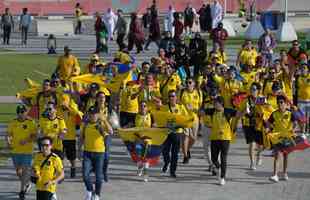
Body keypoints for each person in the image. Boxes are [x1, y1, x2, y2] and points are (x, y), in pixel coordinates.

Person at [203, 96, 241, 185]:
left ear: (221, 104)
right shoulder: (212, 111)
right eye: (214, 103)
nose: (214, 105)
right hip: (214, 138)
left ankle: (222, 177)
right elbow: (202, 112)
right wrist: (196, 110)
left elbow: (238, 114)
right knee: (214, 159)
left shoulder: (228, 111)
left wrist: (244, 110)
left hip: (225, 138)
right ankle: (218, 167)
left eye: (216, 103)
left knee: (223, 158)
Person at [266, 95, 303, 182]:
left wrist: (293, 130)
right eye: (278, 103)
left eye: (281, 102)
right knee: (277, 156)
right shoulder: (274, 114)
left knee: (286, 156)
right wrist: (268, 128)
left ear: (286, 104)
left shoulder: (290, 114)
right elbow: (268, 122)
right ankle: (275, 175)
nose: (279, 104)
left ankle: (285, 173)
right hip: (277, 138)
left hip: (287, 138)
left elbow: (295, 123)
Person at [80, 106, 112, 200]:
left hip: (99, 153)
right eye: (90, 114)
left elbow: (111, 132)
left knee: (98, 177)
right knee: (85, 175)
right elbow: (81, 138)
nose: (92, 116)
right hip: (87, 153)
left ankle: (97, 194)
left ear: (98, 115)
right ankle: (90, 190)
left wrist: (104, 121)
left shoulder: (101, 124)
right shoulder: (85, 125)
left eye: (94, 114)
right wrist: (79, 149)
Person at [7, 105, 36, 200]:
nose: (21, 114)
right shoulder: (13, 122)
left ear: (26, 112)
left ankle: (22, 191)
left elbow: (34, 136)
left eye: (22, 112)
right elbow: (9, 134)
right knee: (18, 172)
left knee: (24, 171)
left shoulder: (31, 122)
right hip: (15, 151)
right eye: (19, 112)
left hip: (27, 151)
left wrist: (26, 140)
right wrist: (8, 141)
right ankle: (27, 183)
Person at [162, 90, 188, 178]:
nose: (171, 98)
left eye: (173, 96)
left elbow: (186, 119)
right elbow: (160, 118)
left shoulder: (181, 107)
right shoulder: (164, 107)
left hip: (177, 133)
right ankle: (166, 162)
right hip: (167, 132)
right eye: (170, 96)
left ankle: (172, 171)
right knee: (165, 151)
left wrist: (182, 125)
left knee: (175, 153)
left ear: (176, 97)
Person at [180, 78, 202, 164]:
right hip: (184, 118)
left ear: (194, 84)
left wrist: (193, 109)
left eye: (190, 82)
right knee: (185, 137)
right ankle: (185, 156)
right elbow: (178, 103)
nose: (188, 84)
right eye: (186, 82)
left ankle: (187, 149)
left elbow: (200, 107)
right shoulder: (182, 92)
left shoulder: (198, 93)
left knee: (193, 138)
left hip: (194, 118)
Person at [95, 92, 113, 182]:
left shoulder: (109, 109)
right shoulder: (93, 109)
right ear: (97, 99)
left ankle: (104, 171)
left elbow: (113, 121)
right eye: (100, 97)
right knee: (98, 155)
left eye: (103, 97)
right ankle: (98, 173)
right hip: (96, 135)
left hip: (106, 134)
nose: (102, 99)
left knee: (106, 156)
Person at [135, 101, 155, 181]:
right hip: (138, 140)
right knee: (139, 156)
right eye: (141, 106)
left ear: (147, 108)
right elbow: (132, 127)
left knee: (146, 157)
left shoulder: (150, 116)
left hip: (148, 140)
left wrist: (154, 125)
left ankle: (146, 174)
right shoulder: (135, 116)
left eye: (144, 106)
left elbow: (155, 125)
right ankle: (140, 167)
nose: (143, 107)